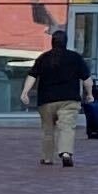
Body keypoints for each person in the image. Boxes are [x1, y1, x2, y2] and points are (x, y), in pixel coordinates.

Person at [25, 33, 92, 167]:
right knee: (67, 127)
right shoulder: (75, 58)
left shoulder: (44, 58)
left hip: (46, 100)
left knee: (48, 130)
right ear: (66, 42)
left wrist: (25, 92)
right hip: (69, 99)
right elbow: (87, 79)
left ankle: (47, 157)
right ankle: (66, 152)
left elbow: (32, 75)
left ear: (52, 42)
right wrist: (89, 94)